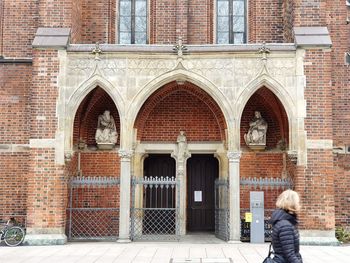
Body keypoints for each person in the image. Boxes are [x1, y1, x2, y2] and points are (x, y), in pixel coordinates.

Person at [270, 189, 303, 263]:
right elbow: (289, 254)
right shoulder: (285, 225)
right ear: (292, 203)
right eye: (297, 202)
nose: (299, 204)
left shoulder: (281, 220)